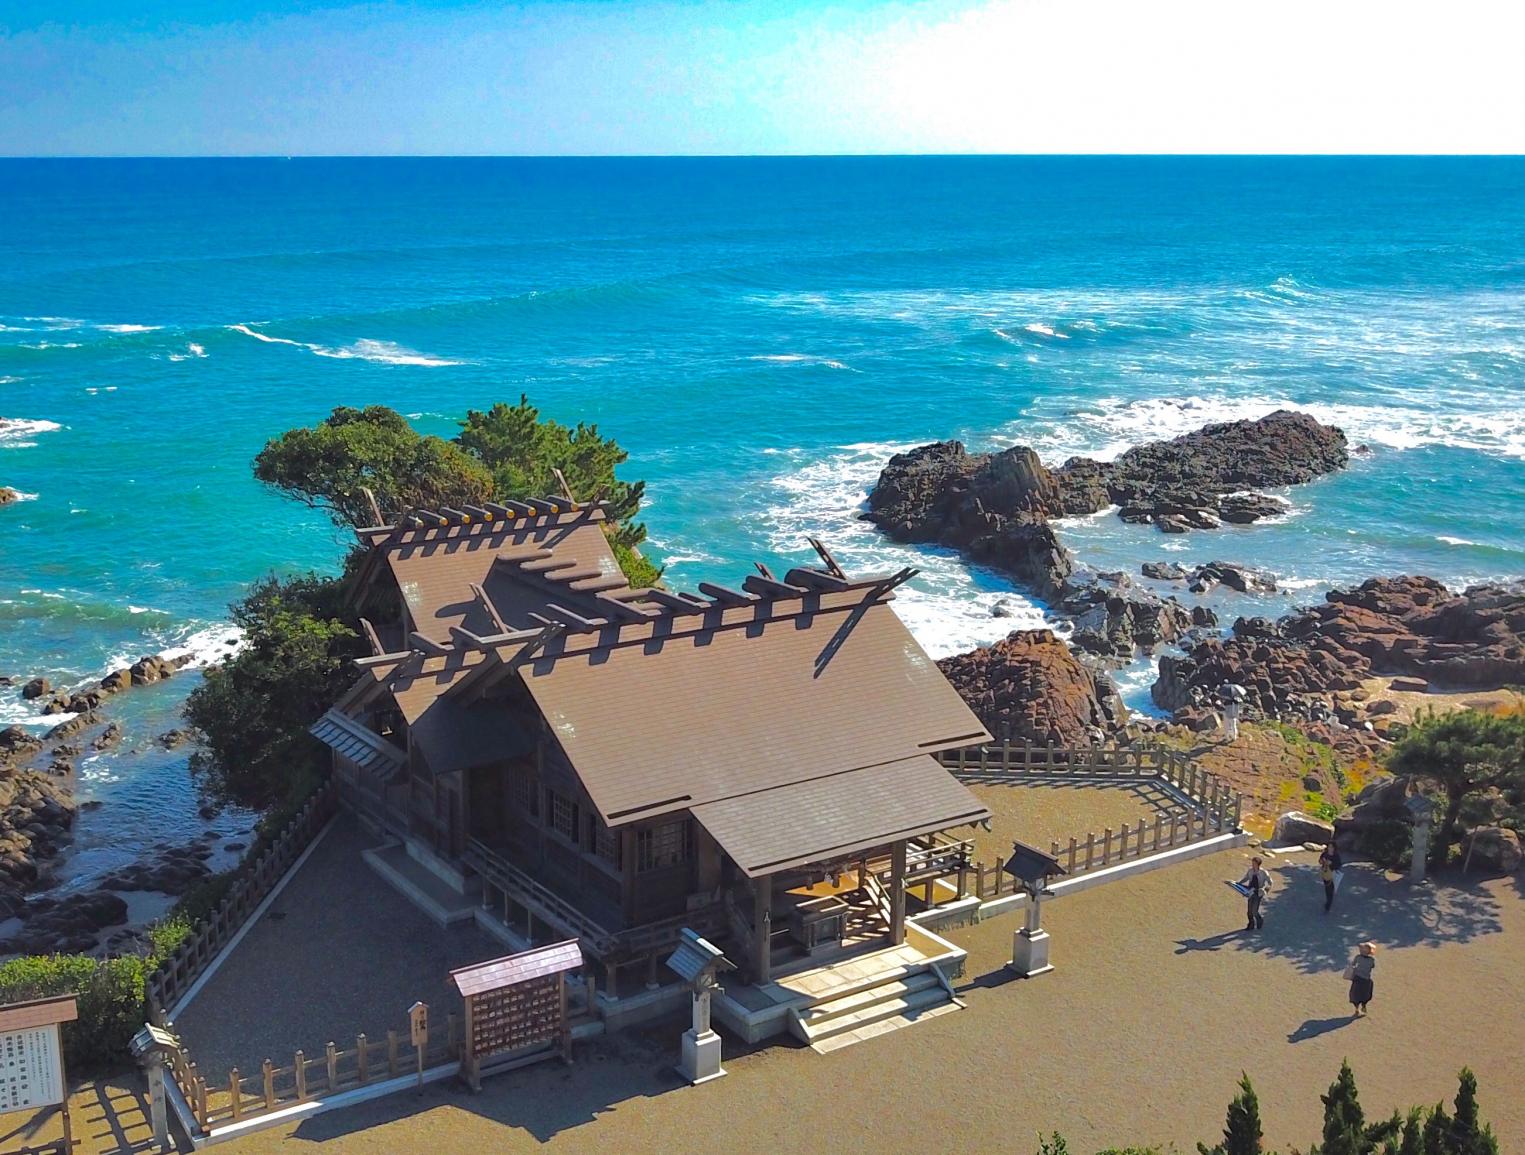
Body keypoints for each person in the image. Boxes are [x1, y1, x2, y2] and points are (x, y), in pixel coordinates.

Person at [1238, 856, 1272, 931]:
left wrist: (1265, 890)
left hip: (1258, 892)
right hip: (1250, 891)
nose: (1253, 865)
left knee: (1254, 911)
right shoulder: (1250, 871)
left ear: (1258, 864)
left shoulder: (1263, 873)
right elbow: (1246, 878)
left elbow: (1270, 882)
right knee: (1249, 911)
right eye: (1252, 863)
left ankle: (1259, 920)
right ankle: (1251, 924)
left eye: (1254, 863)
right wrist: (1238, 883)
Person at [1348, 941, 1377, 1015]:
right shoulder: (1371, 960)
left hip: (1357, 978)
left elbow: (1353, 964)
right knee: (1365, 995)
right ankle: (1364, 1005)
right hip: (1366, 980)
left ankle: (1356, 1009)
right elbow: (1372, 966)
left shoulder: (1358, 957)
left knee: (1355, 995)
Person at [1318, 844, 1342, 913]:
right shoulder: (1325, 854)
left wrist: (1331, 863)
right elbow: (1320, 861)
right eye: (1329, 847)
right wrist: (1322, 861)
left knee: (1330, 890)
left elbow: (1338, 865)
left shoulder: (1336, 856)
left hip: (1333, 874)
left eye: (1331, 847)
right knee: (1327, 888)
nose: (1330, 848)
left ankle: (1328, 904)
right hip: (1325, 873)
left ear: (1334, 848)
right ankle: (1328, 901)